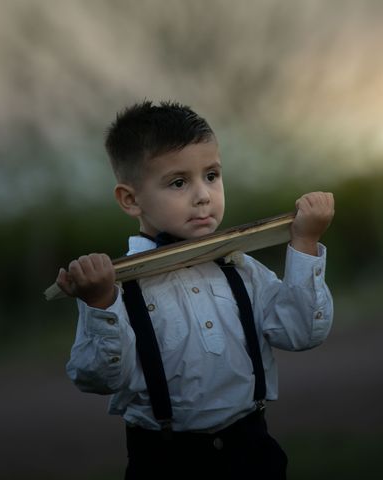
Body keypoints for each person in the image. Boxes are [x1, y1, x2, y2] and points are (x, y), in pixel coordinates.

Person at [56, 100, 334, 480]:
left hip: (251, 450)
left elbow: (301, 333)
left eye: (212, 175)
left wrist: (304, 243)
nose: (203, 195)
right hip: (166, 462)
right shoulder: (116, 285)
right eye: (178, 182)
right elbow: (99, 379)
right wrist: (100, 302)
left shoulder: (240, 267)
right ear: (131, 199)